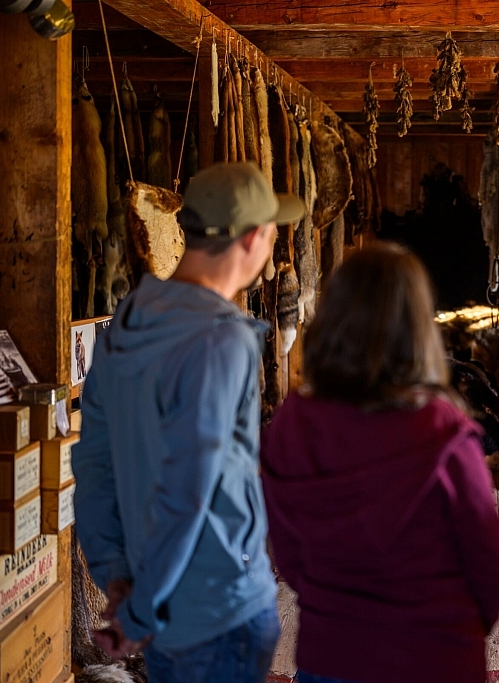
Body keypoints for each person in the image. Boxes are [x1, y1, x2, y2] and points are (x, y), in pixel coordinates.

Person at [72, 162, 305, 683]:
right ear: (253, 238)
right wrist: (139, 611)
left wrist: (116, 579)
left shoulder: (127, 322)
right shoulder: (223, 340)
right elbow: (190, 491)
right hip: (217, 607)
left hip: (159, 603)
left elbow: (92, 465)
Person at [260, 243, 499, 683]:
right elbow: (488, 568)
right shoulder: (442, 430)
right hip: (434, 656)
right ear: (416, 327)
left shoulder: (292, 424)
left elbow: (289, 556)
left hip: (332, 653)